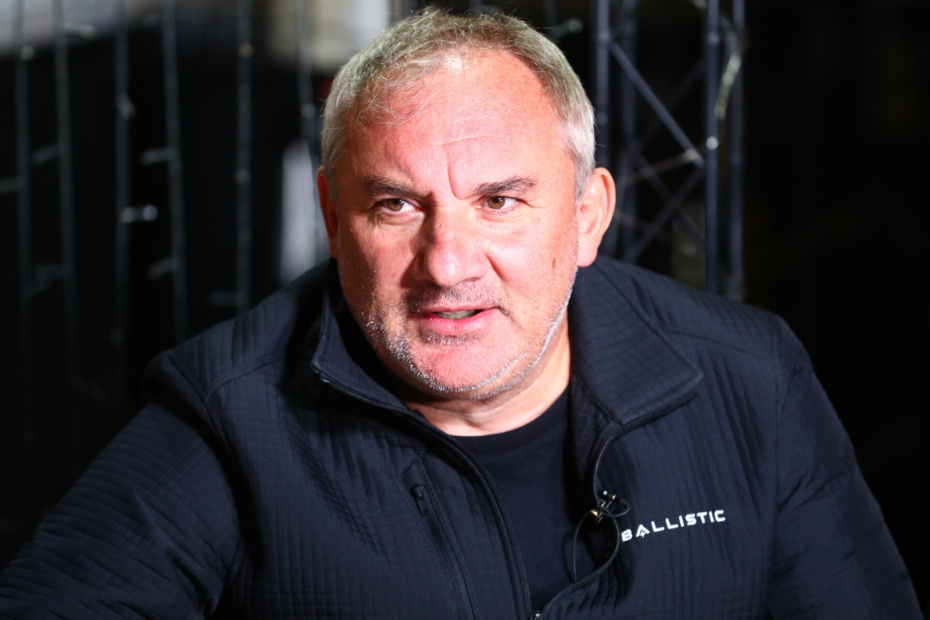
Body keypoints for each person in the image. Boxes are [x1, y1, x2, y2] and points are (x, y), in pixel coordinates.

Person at [0, 8, 921, 619]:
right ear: (333, 219)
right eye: (397, 205)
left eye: (500, 201)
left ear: (588, 216)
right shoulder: (230, 416)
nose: (446, 264)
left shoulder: (746, 379)